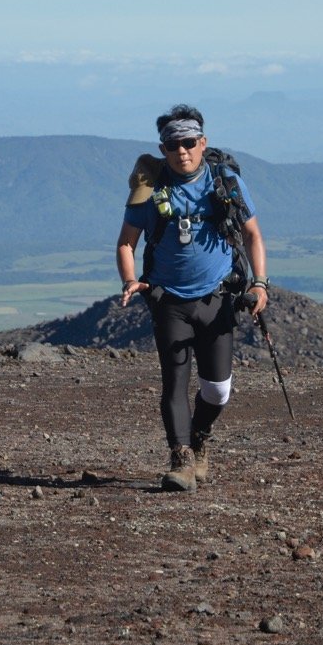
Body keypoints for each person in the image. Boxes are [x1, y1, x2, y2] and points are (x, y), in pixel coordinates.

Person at [116, 104, 268, 492]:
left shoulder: (225, 182)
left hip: (217, 298)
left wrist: (260, 285)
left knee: (218, 390)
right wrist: (131, 280)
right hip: (169, 301)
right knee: (175, 383)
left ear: (203, 143)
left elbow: (252, 235)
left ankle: (199, 437)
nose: (181, 151)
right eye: (172, 145)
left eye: (188, 143)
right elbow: (126, 243)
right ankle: (180, 458)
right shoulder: (149, 190)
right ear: (162, 149)